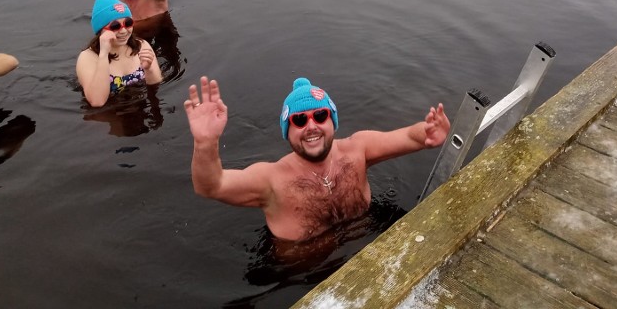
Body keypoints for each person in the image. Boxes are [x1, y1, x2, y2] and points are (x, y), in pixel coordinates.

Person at [185, 76, 450, 242]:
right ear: (287, 132)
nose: (311, 126)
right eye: (299, 120)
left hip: (365, 246)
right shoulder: (271, 180)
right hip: (299, 278)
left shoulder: (358, 148)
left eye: (320, 116)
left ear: (332, 122)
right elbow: (211, 186)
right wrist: (205, 142)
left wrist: (427, 132)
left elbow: (409, 137)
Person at [76, 0, 162, 107]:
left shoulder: (141, 45)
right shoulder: (87, 57)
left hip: (139, 106)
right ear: (101, 30)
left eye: (128, 23)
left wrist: (149, 70)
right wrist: (104, 54)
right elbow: (97, 102)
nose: (123, 31)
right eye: (115, 26)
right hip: (109, 114)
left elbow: (156, 84)